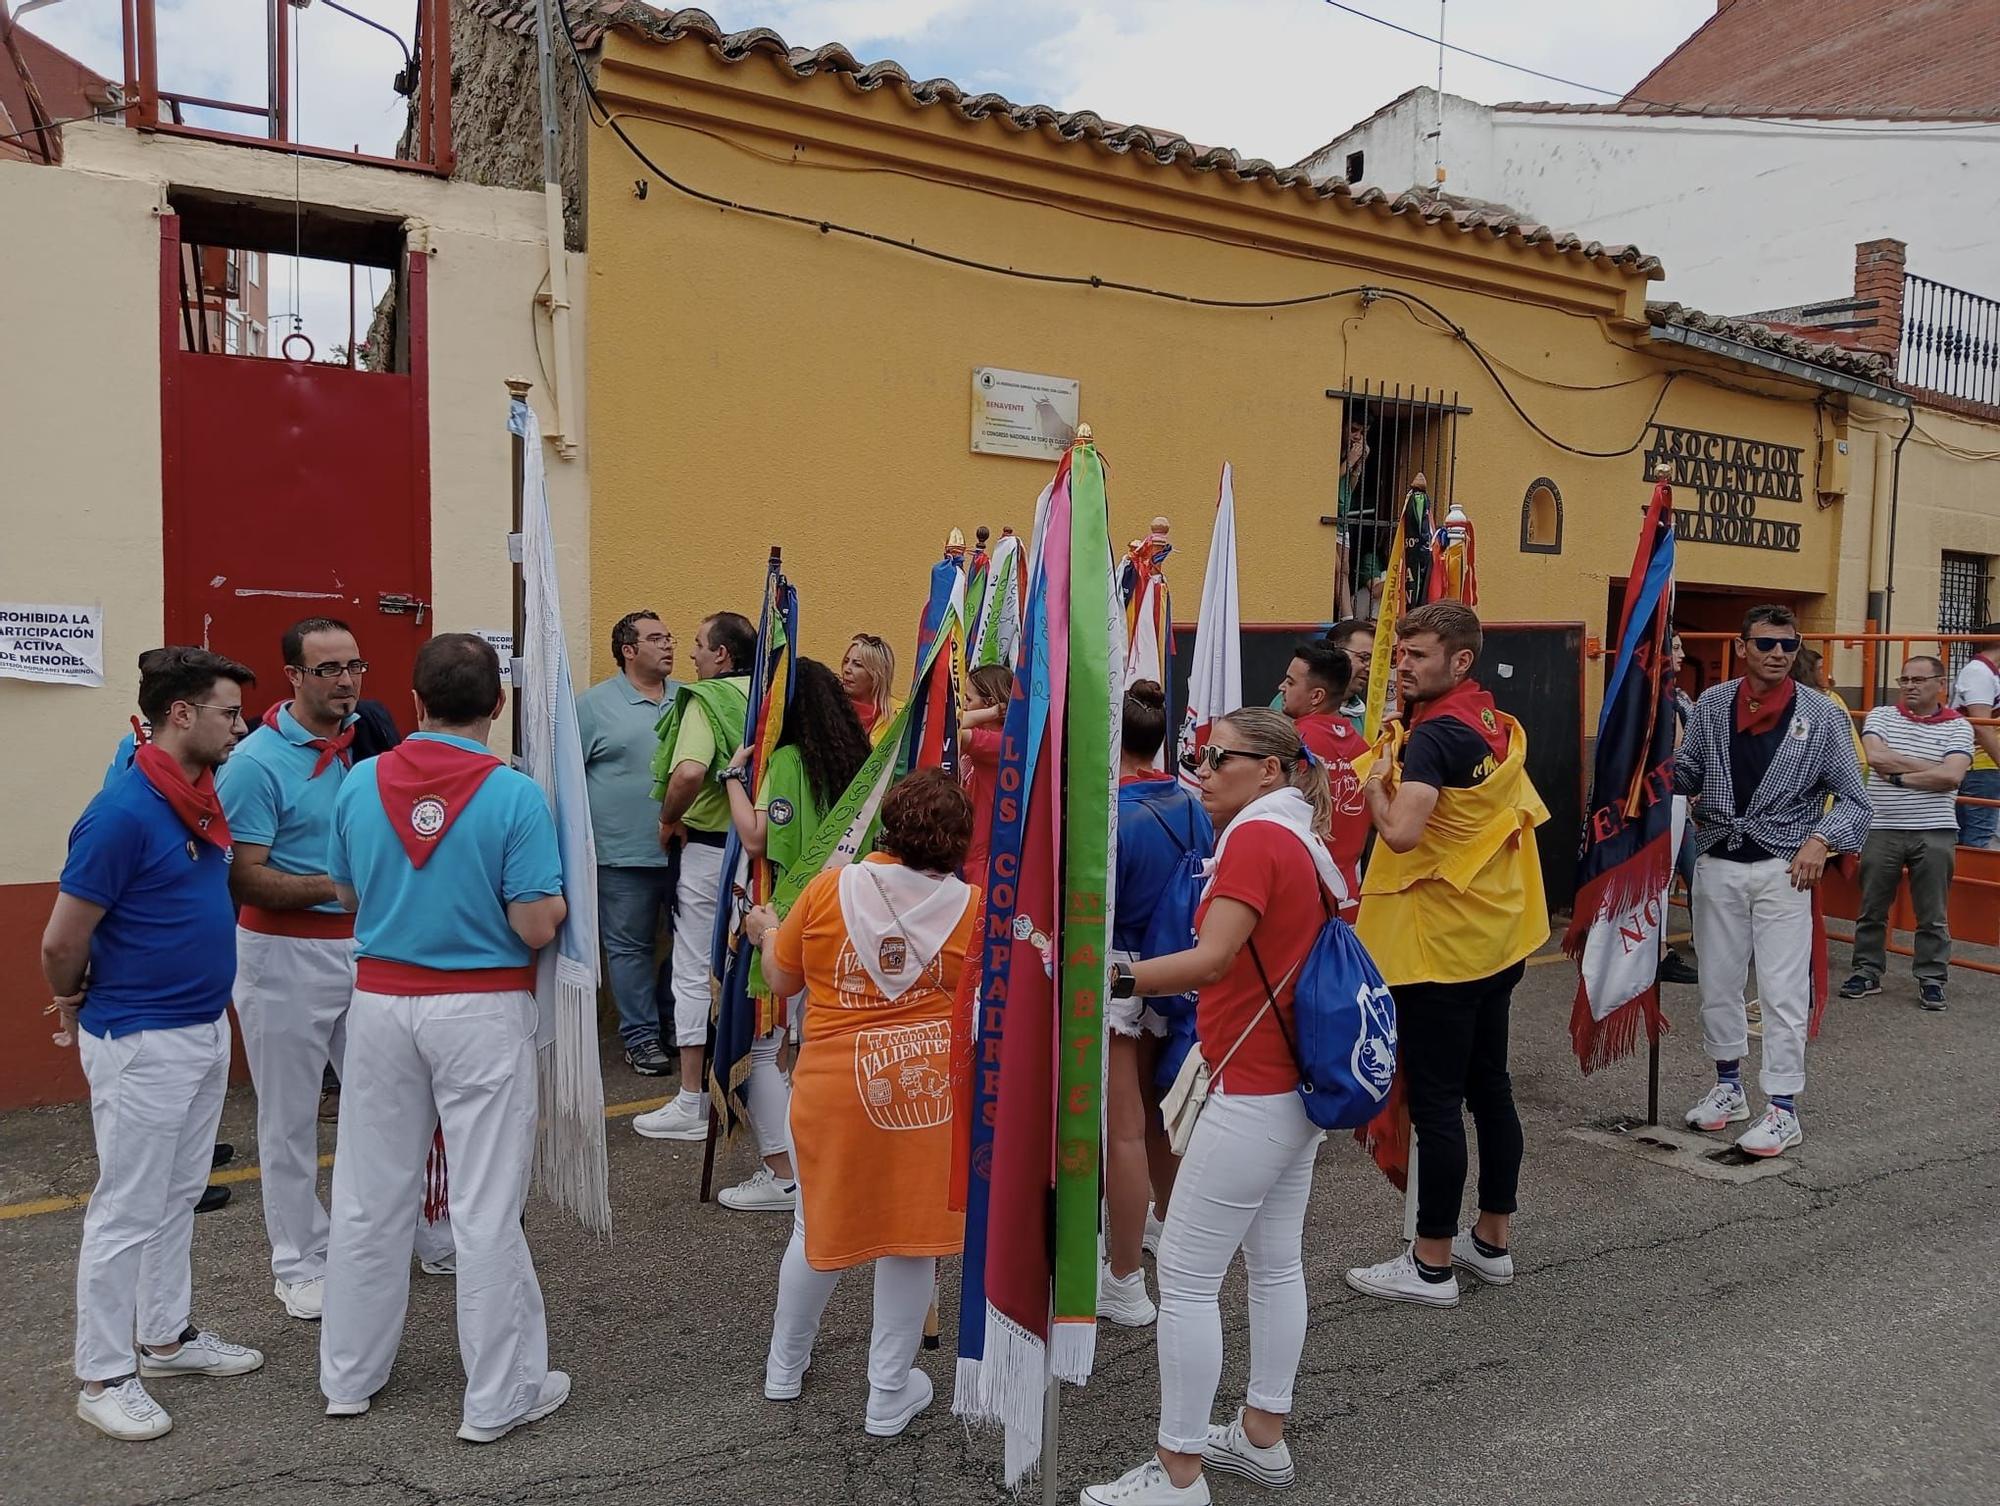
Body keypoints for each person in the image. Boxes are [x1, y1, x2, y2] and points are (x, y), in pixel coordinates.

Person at [1083, 709, 1342, 1506]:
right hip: (1292, 1086)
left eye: (1219, 757)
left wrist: (1112, 978)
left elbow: (1212, 958)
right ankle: (1262, 1434)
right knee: (1274, 1264)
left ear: (1270, 768)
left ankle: (1179, 1471)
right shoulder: (1299, 834)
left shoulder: (1258, 839)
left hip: (1253, 1087)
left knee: (1189, 1280)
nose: (1200, 768)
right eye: (1199, 753)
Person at [320, 634, 570, 1441]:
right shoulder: (515, 795)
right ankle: (498, 1397)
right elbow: (535, 924)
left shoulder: (360, 781)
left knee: (368, 1195)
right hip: (480, 1009)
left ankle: (348, 1376)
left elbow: (345, 892)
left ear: (416, 701)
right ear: (498, 703)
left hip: (381, 1002)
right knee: (486, 1205)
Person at [45, 647, 265, 1441]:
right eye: (228, 713)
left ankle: (165, 1338)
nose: (239, 728)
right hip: (141, 1038)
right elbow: (61, 939)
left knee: (177, 1194)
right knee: (127, 1208)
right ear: (181, 714)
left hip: (201, 1026)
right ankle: (103, 1375)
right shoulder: (122, 812)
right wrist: (70, 997)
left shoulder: (196, 797)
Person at [743, 768, 977, 1438]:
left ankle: (784, 1369)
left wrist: (766, 930)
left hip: (832, 1086)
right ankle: (887, 1393)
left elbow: (781, 978)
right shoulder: (974, 907)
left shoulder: (828, 888)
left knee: (812, 1229)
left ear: (889, 826)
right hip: (926, 1090)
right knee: (911, 1242)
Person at [1345, 602, 1549, 1308]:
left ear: (1460, 660)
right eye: (1400, 653)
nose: (1402, 666)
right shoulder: (1492, 720)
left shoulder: (1433, 736)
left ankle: (1430, 1261)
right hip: (1494, 936)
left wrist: (1376, 788)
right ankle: (1491, 1241)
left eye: (1418, 655)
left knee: (1437, 1103)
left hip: (1440, 949)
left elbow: (1402, 834)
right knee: (1490, 1088)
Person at [215, 617, 373, 1322]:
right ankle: (299, 1261)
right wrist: (338, 887)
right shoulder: (254, 763)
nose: (346, 681)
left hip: (361, 948)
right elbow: (243, 877)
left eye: (354, 666)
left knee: (384, 1101)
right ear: (294, 677)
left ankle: (390, 1235)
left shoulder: (364, 738)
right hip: (282, 954)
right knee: (288, 1118)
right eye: (328, 669)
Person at [1673, 605, 1869, 1158]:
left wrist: (1822, 839)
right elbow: (1689, 773)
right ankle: (1728, 1087)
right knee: (1718, 983)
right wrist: (1647, 758)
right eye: (1766, 644)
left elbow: (1855, 800)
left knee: (1782, 993)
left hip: (1785, 870)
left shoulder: (1821, 714)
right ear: (1742, 648)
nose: (1778, 654)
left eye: (1788, 644)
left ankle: (1783, 1109)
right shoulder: (1713, 705)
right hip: (1718, 860)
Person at [715, 657, 874, 1212]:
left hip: (789, 916)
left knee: (763, 1048)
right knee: (816, 1045)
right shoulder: (858, 761)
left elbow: (757, 838)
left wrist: (732, 779)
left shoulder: (786, 762)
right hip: (848, 913)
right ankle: (828, 1165)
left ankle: (783, 1175)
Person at [1098, 680, 1215, 1332]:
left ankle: (1124, 1281)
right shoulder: (1191, 802)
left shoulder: (1110, 817)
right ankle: (1168, 1236)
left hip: (1120, 975)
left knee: (1124, 1131)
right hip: (1173, 969)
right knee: (1159, 1122)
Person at [635, 611, 755, 1143]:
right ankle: (759, 1092)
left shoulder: (705, 699)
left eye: (700, 645)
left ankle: (692, 1100)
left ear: (722, 654)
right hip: (765, 851)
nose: (692, 654)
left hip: (710, 852)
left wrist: (668, 818)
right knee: (755, 968)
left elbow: (688, 771)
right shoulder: (776, 695)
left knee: (692, 970)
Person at [577, 610, 683, 1077]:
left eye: (669, 637)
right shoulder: (593, 706)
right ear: (628, 650)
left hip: (684, 852)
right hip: (621, 855)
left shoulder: (688, 699)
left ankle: (672, 1020)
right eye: (656, 638)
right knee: (629, 949)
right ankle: (640, 1037)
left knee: (689, 944)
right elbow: (568, 776)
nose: (669, 644)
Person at [1843, 656, 1971, 1010]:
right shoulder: (1881, 716)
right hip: (1882, 826)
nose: (1910, 686)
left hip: (1935, 829)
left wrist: (1899, 777)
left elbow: (1952, 777)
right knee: (1872, 907)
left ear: (1940, 684)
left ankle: (1932, 978)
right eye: (1905, 680)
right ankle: (1866, 971)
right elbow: (1875, 757)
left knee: (1932, 912)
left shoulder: (1958, 726)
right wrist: (1934, 768)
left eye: (1919, 680)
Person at [1276, 640, 1368, 897]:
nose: (1281, 687)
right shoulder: (1365, 750)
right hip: (1349, 893)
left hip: (1301, 891)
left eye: (1290, 682)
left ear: (1316, 696)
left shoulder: (1291, 744)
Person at [1659, 631, 1701, 986]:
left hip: (1683, 801)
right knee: (1663, 876)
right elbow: (1674, 745)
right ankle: (1656, 951)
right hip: (1665, 798)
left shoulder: (1681, 695)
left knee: (1698, 873)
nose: (1682, 654)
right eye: (1675, 647)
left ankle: (1705, 939)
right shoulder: (1656, 696)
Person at [960, 663, 1012, 885]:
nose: (963, 705)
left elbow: (952, 725)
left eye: (968, 699)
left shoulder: (999, 742)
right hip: (968, 844)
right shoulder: (982, 733)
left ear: (989, 702)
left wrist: (992, 713)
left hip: (982, 856)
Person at [1949, 622, 2000, 849]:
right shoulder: (1979, 673)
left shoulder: (1989, 672)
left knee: (1974, 832)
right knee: (1978, 835)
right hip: (1980, 765)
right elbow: (1982, 725)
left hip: (1984, 764)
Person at [841, 633, 901, 746]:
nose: (847, 669)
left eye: (857, 664)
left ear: (877, 674)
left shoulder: (900, 715)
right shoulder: (830, 709)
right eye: (846, 661)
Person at [1323, 618, 1374, 725]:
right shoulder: (1297, 704)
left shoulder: (1369, 718)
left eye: (1374, 661)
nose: (1369, 668)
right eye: (1364, 657)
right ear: (1335, 653)